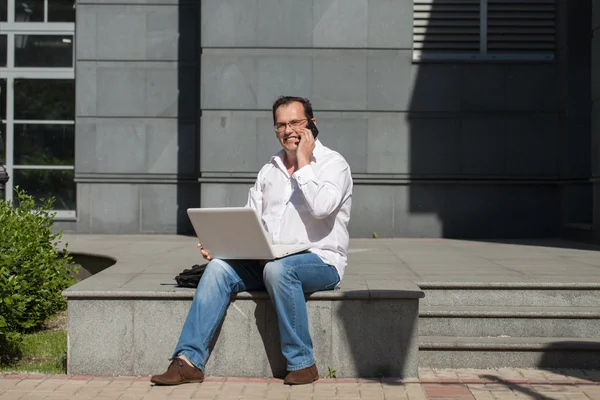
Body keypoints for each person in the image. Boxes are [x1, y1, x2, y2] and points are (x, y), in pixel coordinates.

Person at [150, 96, 353, 386]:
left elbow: (322, 207)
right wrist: (223, 243)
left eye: (295, 122)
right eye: (281, 125)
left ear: (312, 125)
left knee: (280, 269)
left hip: (321, 261)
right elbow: (251, 219)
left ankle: (303, 363)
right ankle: (188, 361)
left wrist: (304, 161)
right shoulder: (269, 170)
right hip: (268, 259)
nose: (288, 130)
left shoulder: (334, 165)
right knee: (218, 267)